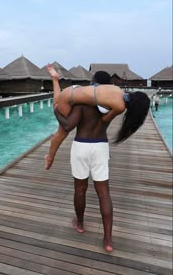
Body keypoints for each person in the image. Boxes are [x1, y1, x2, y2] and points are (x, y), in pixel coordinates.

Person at [45, 64, 150, 168]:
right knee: (60, 131)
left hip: (74, 89)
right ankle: (49, 159)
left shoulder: (117, 89)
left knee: (59, 103)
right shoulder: (120, 107)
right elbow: (104, 119)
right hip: (69, 97)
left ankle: (55, 80)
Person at [54, 102, 113, 252]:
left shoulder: (83, 104)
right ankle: (108, 239)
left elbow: (68, 126)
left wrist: (56, 110)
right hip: (100, 146)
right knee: (104, 193)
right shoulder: (111, 104)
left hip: (81, 145)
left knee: (80, 189)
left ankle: (80, 224)